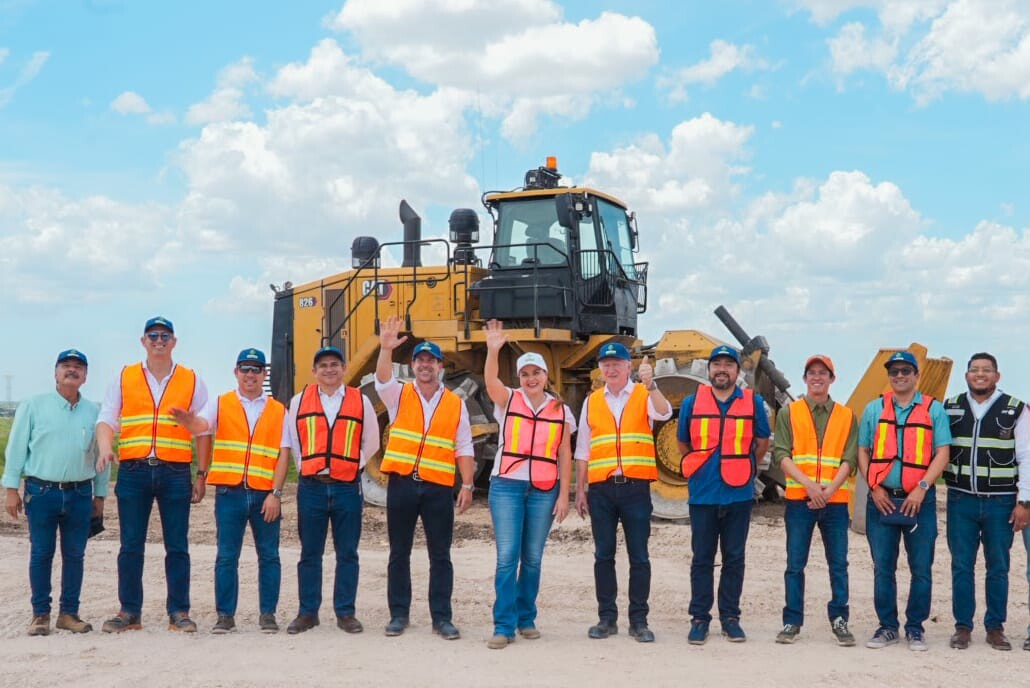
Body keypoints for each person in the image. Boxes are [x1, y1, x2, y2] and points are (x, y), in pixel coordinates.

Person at [95, 316, 210, 633]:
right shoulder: (124, 376)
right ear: (143, 341)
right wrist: (106, 447)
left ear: (174, 342)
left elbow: (204, 429)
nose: (159, 340)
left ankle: (179, 612)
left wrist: (201, 473)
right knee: (131, 545)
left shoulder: (191, 379)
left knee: (178, 545)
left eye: (165, 336)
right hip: (133, 470)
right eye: (153, 335)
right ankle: (129, 612)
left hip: (175, 472)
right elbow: (107, 418)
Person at [170, 348, 292, 634]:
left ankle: (268, 615)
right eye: (245, 369)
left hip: (264, 496)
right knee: (226, 556)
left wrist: (276, 493)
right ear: (236, 372)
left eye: (256, 369)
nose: (250, 374)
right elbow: (203, 426)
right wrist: (190, 422)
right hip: (229, 493)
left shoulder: (278, 410)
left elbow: (283, 454)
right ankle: (225, 616)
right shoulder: (221, 403)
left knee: (269, 556)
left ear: (264, 373)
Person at [375, 315, 475, 640]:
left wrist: (469, 484)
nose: (425, 365)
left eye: (431, 360)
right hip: (403, 485)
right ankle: (398, 615)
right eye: (420, 360)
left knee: (441, 556)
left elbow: (464, 445)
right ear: (414, 365)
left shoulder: (455, 403)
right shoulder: (398, 395)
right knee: (399, 552)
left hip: (438, 488)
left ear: (440, 366)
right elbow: (381, 380)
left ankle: (442, 618)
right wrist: (385, 349)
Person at [3, 349, 110, 636]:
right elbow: (16, 448)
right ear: (55, 372)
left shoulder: (94, 412)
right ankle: (40, 615)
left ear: (86, 376)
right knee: (41, 553)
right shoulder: (33, 405)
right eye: (66, 366)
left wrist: (100, 495)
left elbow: (101, 455)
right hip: (41, 491)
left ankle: (69, 613)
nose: (72, 370)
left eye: (78, 367)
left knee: (75, 555)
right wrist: (11, 488)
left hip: (79, 494)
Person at [482, 320, 573, 649]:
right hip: (507, 486)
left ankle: (526, 618)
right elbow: (490, 380)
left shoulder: (561, 410)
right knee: (508, 557)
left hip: (544, 491)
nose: (531, 379)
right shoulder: (508, 400)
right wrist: (493, 350)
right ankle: (503, 625)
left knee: (532, 557)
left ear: (546, 376)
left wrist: (564, 495)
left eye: (536, 373)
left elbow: (564, 451)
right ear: (519, 378)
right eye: (525, 374)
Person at [574, 342, 672, 643]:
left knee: (639, 557)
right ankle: (606, 618)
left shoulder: (643, 394)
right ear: (600, 368)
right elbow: (583, 449)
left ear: (628, 366)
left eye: (617, 363)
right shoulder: (592, 401)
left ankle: (639, 620)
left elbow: (665, 413)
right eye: (606, 363)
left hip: (635, 489)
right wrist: (580, 489)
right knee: (603, 556)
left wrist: (651, 384)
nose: (611, 368)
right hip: (602, 490)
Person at [281, 345, 379, 635]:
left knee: (347, 552)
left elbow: (371, 441)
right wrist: (310, 468)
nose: (329, 369)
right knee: (310, 552)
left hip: (347, 487)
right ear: (314, 371)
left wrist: (353, 466)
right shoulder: (299, 401)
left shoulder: (361, 401)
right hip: (312, 487)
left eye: (335, 364)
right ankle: (308, 612)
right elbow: (295, 442)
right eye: (323, 365)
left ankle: (345, 613)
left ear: (343, 368)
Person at [858, 350, 951, 651]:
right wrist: (874, 487)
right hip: (882, 498)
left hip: (919, 501)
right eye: (894, 371)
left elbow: (942, 453)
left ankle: (915, 628)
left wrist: (922, 487)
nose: (899, 376)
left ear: (916, 375)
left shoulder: (933, 410)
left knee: (921, 567)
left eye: (905, 371)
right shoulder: (874, 409)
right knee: (883, 566)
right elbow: (863, 451)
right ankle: (887, 626)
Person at [677, 344, 771, 645]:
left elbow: (761, 442)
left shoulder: (753, 403)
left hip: (739, 494)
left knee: (734, 558)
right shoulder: (692, 403)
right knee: (702, 559)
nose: (721, 369)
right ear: (709, 371)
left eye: (728, 365)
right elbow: (683, 444)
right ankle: (699, 619)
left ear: (737, 371)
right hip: (703, 494)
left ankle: (730, 618)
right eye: (716, 364)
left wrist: (746, 468)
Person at [943, 352, 1030, 651]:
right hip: (960, 500)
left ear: (997, 376)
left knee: (998, 567)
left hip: (1001, 502)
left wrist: (1025, 502)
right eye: (974, 370)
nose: (980, 374)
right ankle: (963, 628)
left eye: (987, 370)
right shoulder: (951, 407)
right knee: (961, 566)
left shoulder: (1016, 409)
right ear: (966, 375)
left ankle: (995, 627)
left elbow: (1026, 456)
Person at [772, 355, 857, 646]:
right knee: (795, 564)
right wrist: (810, 487)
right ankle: (792, 621)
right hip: (799, 500)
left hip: (834, 503)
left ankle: (839, 618)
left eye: (823, 373)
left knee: (838, 564)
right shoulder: (790, 413)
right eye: (812, 373)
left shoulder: (846, 416)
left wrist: (829, 490)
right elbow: (781, 454)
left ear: (832, 379)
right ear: (805, 378)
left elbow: (849, 459)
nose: (817, 377)